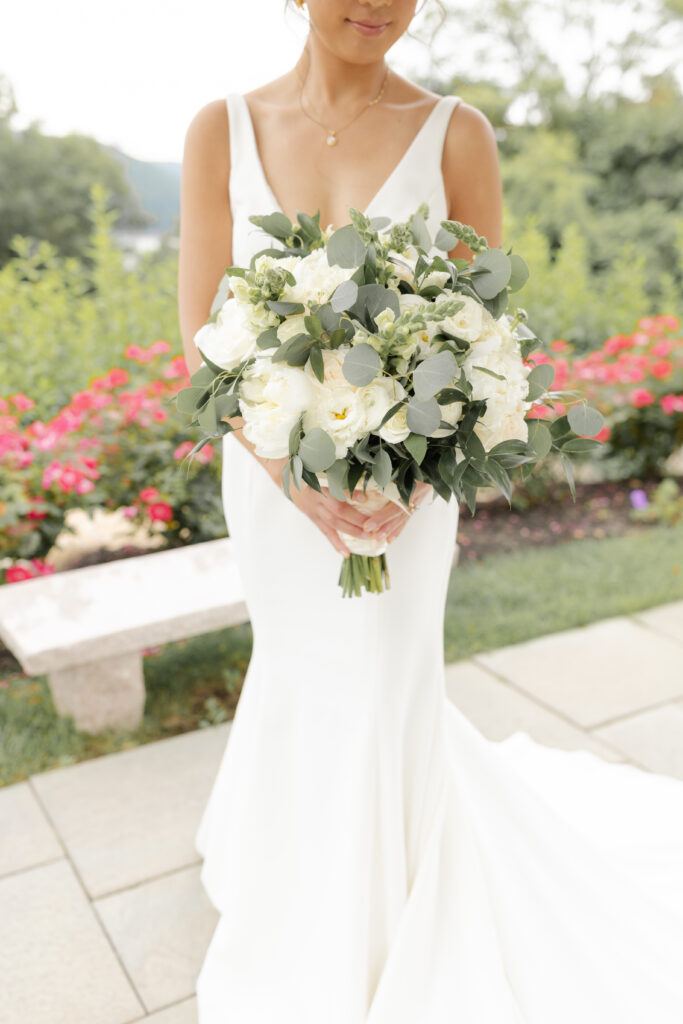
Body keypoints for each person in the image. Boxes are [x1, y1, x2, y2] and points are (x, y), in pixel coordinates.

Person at [177, 2, 683, 1021]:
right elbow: (202, 331)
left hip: (403, 484)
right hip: (275, 477)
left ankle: (385, 928)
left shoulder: (456, 131)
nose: (375, 2)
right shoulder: (217, 128)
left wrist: (405, 475)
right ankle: (305, 894)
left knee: (378, 678)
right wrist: (291, 477)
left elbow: (481, 328)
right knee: (305, 669)